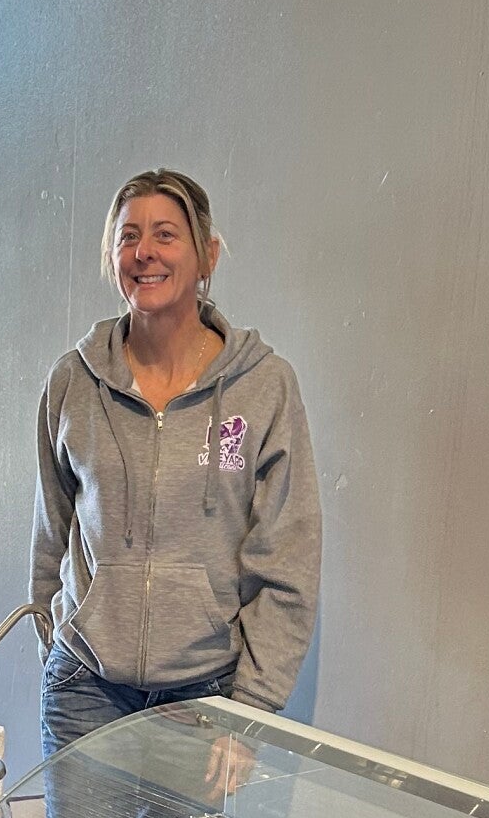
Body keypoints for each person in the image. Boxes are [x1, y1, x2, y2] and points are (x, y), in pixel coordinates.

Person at [31, 168, 321, 769]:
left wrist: (252, 711)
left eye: (166, 234)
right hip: (85, 690)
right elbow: (50, 536)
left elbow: (287, 560)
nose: (145, 252)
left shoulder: (263, 386)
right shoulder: (73, 382)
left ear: (206, 255)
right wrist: (54, 645)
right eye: (129, 236)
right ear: (112, 257)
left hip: (205, 699)